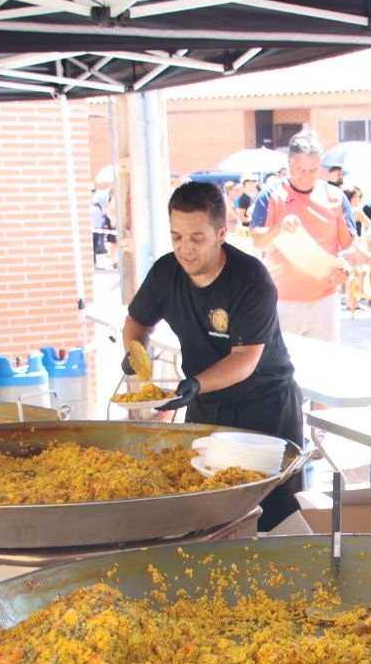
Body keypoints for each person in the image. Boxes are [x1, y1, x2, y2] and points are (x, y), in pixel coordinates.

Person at [122, 181, 304, 530]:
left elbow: (245, 358)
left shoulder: (251, 279)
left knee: (274, 519)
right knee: (205, 513)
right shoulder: (165, 273)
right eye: (176, 237)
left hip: (265, 408)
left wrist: (192, 385)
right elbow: (136, 322)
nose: (184, 250)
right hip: (205, 403)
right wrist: (135, 352)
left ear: (221, 233)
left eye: (196, 238)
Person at [248, 131, 356, 341]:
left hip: (325, 300)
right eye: (300, 169)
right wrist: (278, 228)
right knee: (281, 369)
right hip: (282, 300)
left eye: (313, 170)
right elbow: (258, 240)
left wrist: (346, 269)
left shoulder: (336, 197)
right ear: (289, 164)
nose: (306, 175)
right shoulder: (271, 195)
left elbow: (348, 245)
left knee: (324, 367)